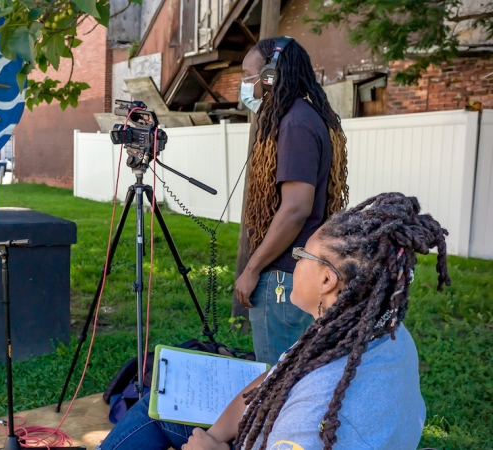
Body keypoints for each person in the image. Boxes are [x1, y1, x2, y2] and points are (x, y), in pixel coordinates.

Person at [98, 192, 450, 449]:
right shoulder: (377, 331)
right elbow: (277, 376)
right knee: (165, 404)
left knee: (153, 410)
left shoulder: (312, 419)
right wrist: (216, 436)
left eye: (301, 255)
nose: (294, 263)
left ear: (327, 280)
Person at [234, 37, 350, 366]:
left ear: (270, 77)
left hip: (283, 278)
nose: (244, 84)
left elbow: (296, 208)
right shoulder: (305, 117)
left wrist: (252, 268)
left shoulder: (295, 124)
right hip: (296, 272)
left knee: (277, 385)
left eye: (247, 74)